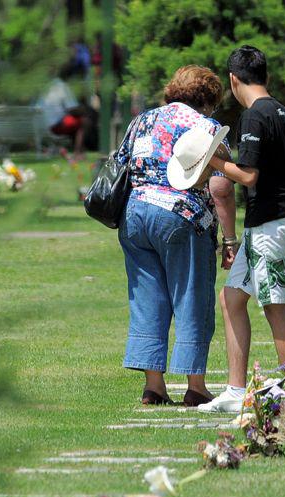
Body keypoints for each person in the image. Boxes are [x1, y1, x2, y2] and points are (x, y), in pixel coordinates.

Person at [114, 65, 236, 406]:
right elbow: (222, 187)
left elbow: (120, 161)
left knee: (147, 298)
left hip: (135, 215)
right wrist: (229, 239)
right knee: (191, 296)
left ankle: (154, 386)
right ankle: (195, 386)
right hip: (183, 217)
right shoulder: (206, 126)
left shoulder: (142, 120)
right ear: (208, 100)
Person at [198, 45, 285, 414]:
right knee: (231, 298)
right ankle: (235, 390)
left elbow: (248, 176)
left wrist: (209, 161)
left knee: (275, 305)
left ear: (232, 79)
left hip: (272, 224)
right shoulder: (280, 110)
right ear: (266, 76)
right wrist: (226, 159)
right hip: (268, 223)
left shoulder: (255, 115)